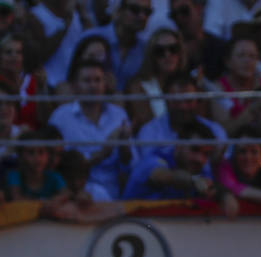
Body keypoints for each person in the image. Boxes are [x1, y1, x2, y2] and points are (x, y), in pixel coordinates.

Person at [47, 59, 132, 199]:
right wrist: (102, 153)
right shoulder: (60, 117)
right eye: (87, 80)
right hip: (76, 191)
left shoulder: (119, 115)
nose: (93, 86)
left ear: (105, 84)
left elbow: (129, 164)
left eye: (97, 80)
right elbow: (57, 164)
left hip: (116, 188)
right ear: (74, 87)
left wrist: (124, 147)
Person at [121, 119, 239, 211]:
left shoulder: (198, 170)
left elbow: (211, 186)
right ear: (178, 145)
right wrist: (193, 181)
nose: (200, 159)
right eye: (194, 149)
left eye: (206, 154)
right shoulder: (154, 160)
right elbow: (164, 176)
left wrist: (225, 195)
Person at [134, 70, 228, 160]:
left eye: (189, 101)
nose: (183, 107)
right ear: (166, 100)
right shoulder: (149, 132)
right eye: (177, 101)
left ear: (197, 100)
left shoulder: (216, 131)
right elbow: (148, 167)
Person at [125, 27, 187, 131]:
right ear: (151, 55)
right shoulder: (138, 86)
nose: (167, 55)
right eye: (160, 51)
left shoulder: (189, 83)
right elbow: (148, 127)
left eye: (173, 49)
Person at [88, 0, 153, 91]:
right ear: (119, 10)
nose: (142, 16)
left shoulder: (145, 49)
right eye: (135, 9)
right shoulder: (91, 38)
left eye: (147, 12)